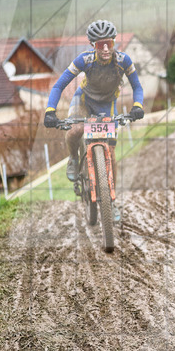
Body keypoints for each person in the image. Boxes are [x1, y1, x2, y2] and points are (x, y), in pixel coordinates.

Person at [42, 20, 145, 222]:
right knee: (74, 131)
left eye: (109, 43)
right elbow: (59, 85)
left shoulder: (124, 60)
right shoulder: (84, 60)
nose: (105, 48)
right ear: (93, 46)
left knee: (112, 154)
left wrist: (137, 106)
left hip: (107, 104)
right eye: (100, 44)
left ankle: (111, 201)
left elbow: (138, 87)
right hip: (84, 100)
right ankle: (73, 158)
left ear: (114, 42)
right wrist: (50, 110)